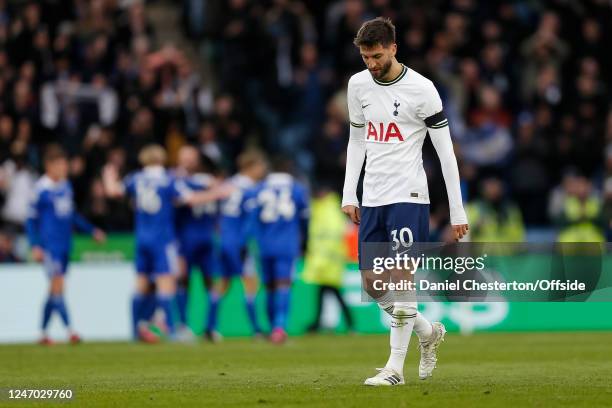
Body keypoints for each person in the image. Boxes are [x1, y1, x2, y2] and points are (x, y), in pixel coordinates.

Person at [341, 18, 469, 386]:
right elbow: (357, 141)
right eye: (365, 57)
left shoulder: (422, 90)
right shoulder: (357, 85)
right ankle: (428, 332)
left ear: (394, 48)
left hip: (409, 196)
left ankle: (395, 368)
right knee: (372, 284)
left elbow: (446, 154)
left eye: (377, 56)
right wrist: (350, 192)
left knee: (402, 280)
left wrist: (457, 210)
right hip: (373, 196)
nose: (371, 63)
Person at [103, 144, 226, 342]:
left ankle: (135, 331)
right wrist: (218, 193)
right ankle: (171, 329)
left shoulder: (135, 178)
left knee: (140, 284)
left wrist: (108, 174)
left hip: (141, 238)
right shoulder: (169, 180)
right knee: (166, 283)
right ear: (162, 159)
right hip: (162, 239)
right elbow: (190, 199)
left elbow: (112, 191)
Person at [26, 144, 106, 345]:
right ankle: (70, 330)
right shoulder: (40, 190)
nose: (64, 169)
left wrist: (91, 230)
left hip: (64, 245)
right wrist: (35, 245)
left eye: (65, 165)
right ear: (48, 166)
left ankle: (42, 333)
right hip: (49, 246)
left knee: (54, 290)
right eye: (59, 165)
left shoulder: (65, 186)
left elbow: (72, 216)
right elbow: (30, 220)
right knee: (58, 286)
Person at [245, 158, 309, 344]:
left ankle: (272, 325)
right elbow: (305, 218)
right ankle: (279, 327)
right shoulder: (297, 188)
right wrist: (305, 242)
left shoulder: (259, 188)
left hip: (264, 244)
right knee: (284, 284)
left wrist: (249, 242)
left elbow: (251, 219)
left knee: (269, 286)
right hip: (287, 244)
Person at [206, 151, 268, 341]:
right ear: (251, 167)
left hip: (223, 239)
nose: (262, 170)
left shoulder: (229, 184)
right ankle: (257, 329)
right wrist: (244, 242)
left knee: (222, 283)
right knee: (251, 283)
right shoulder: (250, 189)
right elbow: (249, 221)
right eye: (260, 166)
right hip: (239, 242)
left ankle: (210, 327)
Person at [174, 145, 218, 341]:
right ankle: (183, 325)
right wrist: (217, 192)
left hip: (207, 239)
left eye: (191, 157)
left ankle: (210, 327)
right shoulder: (175, 180)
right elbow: (183, 200)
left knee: (212, 282)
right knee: (184, 281)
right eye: (185, 157)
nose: (188, 161)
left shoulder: (206, 180)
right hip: (184, 239)